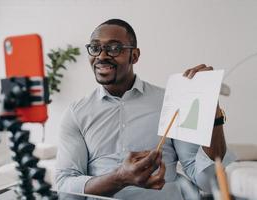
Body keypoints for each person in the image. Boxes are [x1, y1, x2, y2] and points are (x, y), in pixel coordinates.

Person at [54, 19, 235, 199]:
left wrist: (212, 107)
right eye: (95, 48)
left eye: (114, 48)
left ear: (135, 55)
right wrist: (119, 178)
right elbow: (65, 188)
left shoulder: (170, 101)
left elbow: (208, 180)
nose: (102, 56)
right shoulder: (76, 113)